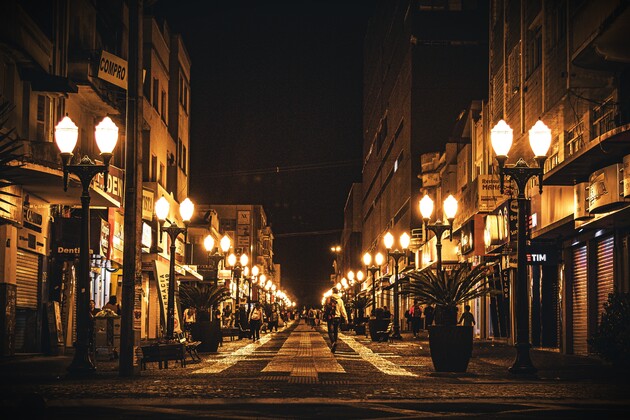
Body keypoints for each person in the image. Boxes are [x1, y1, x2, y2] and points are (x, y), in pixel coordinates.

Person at [324, 287, 347, 353]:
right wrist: (346, 318)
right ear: (337, 292)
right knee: (335, 331)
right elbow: (343, 310)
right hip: (337, 317)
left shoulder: (328, 298)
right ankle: (335, 342)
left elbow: (325, 307)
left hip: (330, 317)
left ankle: (333, 342)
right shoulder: (340, 300)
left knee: (330, 331)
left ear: (332, 292)